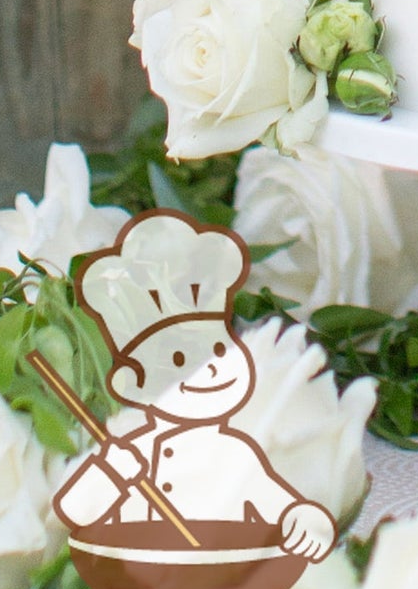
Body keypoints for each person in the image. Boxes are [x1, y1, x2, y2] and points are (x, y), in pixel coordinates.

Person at [54, 210, 334, 560]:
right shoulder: (130, 445)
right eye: (176, 362)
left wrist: (302, 519)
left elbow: (282, 504)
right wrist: (111, 469)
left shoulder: (238, 447)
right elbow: (69, 510)